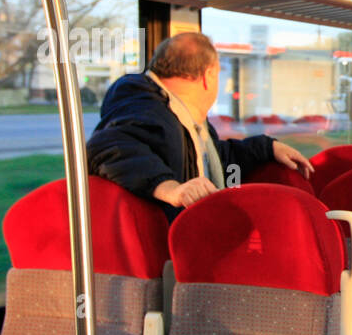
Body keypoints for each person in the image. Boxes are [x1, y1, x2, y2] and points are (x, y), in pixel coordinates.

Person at [87, 32, 311, 217]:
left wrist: (267, 148)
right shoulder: (148, 110)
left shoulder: (190, 124)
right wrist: (169, 188)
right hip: (166, 258)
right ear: (209, 75)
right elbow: (106, 145)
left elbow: (223, 166)